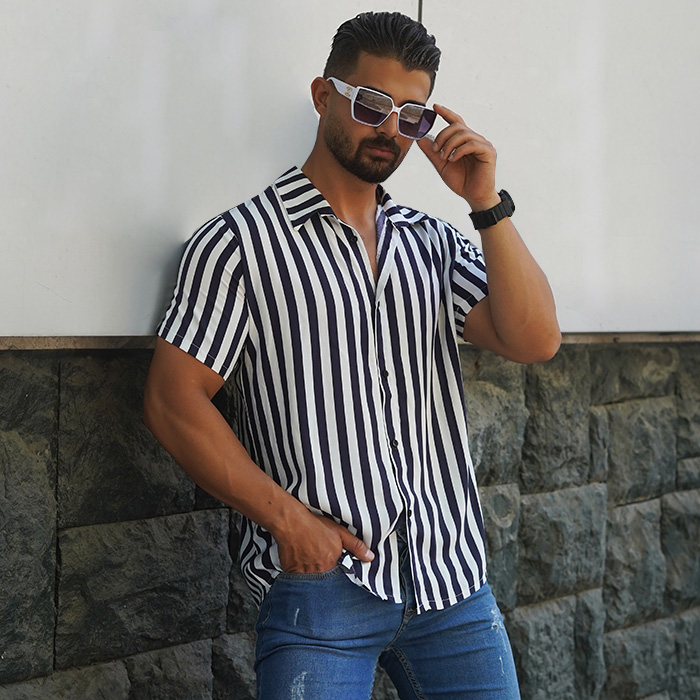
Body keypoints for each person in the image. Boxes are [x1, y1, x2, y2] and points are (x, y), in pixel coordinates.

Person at [144, 11, 560, 699]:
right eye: (371, 105)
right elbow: (171, 400)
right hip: (323, 591)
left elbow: (535, 338)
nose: (390, 128)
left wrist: (485, 202)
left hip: (452, 586)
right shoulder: (240, 244)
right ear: (323, 95)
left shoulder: (432, 244)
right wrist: (287, 520)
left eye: (412, 116)